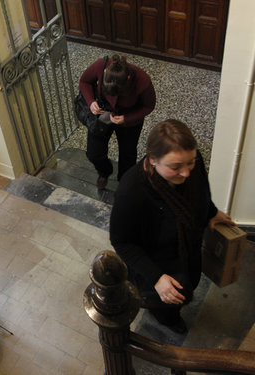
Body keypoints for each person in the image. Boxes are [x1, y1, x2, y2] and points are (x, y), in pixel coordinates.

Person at [109, 119, 234, 334]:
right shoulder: (131, 190)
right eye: (175, 167)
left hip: (186, 248)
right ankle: (166, 318)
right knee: (166, 302)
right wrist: (156, 278)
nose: (186, 173)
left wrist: (211, 212)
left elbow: (201, 190)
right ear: (153, 160)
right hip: (156, 261)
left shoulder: (191, 162)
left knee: (187, 283)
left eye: (191, 163)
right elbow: (122, 241)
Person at [79, 54, 156, 188]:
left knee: (128, 154)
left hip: (129, 119)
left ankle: (124, 183)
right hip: (103, 114)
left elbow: (148, 106)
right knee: (94, 152)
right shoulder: (100, 65)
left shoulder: (143, 80)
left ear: (128, 79)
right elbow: (84, 81)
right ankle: (104, 171)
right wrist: (91, 101)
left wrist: (127, 119)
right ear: (104, 72)